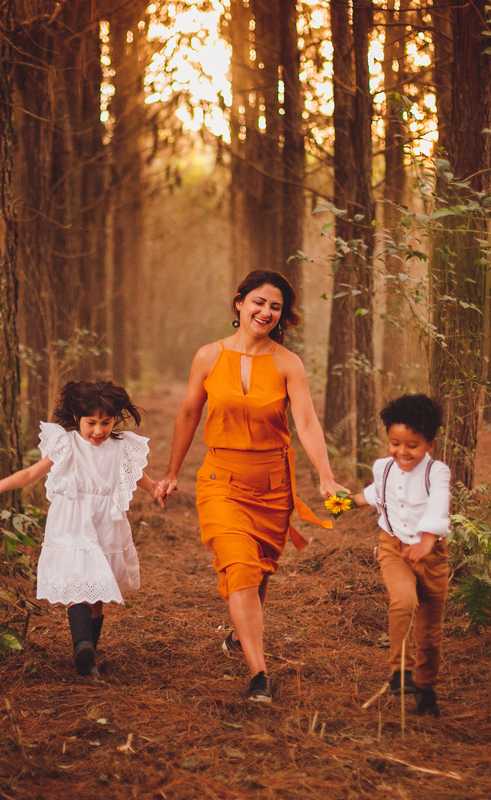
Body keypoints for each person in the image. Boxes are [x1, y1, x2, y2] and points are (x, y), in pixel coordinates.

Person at [154, 270, 347, 703]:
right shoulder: (207, 356)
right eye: (258, 302)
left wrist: (326, 474)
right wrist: (171, 473)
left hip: (273, 484)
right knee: (239, 564)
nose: (266, 312)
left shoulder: (286, 363)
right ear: (239, 303)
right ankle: (259, 674)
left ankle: (241, 636)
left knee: (258, 569)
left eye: (275, 307)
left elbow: (307, 422)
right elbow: (188, 414)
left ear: (282, 315)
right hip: (220, 480)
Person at [0, 380, 161, 677]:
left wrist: (154, 490)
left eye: (106, 423)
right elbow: (32, 472)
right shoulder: (67, 444)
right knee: (79, 580)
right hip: (72, 520)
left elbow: (138, 476)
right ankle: (81, 644)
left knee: (98, 592)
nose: (98, 431)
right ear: (77, 420)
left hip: (106, 523)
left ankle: (88, 658)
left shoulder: (120, 447)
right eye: (91, 423)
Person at [348, 393, 451, 717]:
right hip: (394, 549)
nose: (402, 452)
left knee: (430, 634)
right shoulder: (384, 468)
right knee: (403, 601)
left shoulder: (436, 473)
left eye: (412, 445)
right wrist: (344, 501)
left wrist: (428, 540)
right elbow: (373, 495)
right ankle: (401, 673)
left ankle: (425, 688)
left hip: (431, 557)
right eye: (395, 443)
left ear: (429, 445)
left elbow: (439, 505)